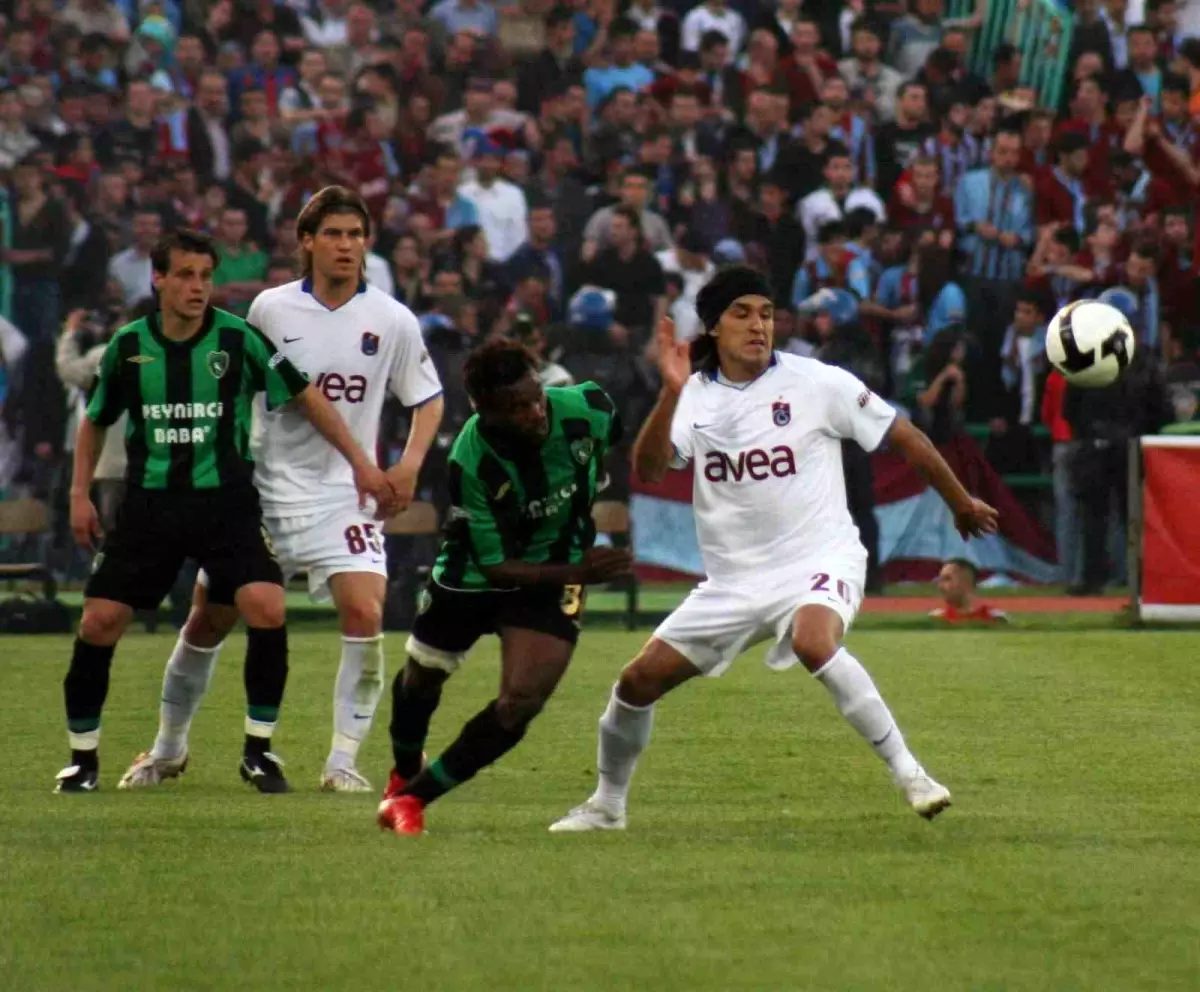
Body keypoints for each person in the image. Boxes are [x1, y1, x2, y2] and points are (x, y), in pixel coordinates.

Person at [549, 266, 999, 832]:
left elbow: (905, 435)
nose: (758, 325)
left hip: (820, 558)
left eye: (765, 313)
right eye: (742, 313)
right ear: (713, 326)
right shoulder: (693, 396)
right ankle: (607, 807)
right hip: (734, 584)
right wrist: (670, 393)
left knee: (814, 641)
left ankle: (912, 774)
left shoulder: (818, 382)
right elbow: (650, 468)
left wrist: (960, 501)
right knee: (635, 684)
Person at [118, 188, 445, 794]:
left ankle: (342, 762)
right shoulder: (270, 309)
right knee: (207, 622)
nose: (346, 246)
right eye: (334, 234)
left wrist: (408, 465)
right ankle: (167, 748)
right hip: (264, 490)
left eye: (356, 235)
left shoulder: (393, 319)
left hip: (346, 493)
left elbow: (427, 398)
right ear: (307, 241)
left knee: (366, 612)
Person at [57, 227, 391, 793]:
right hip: (150, 506)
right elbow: (95, 420)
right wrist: (78, 493)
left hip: (226, 505)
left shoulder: (238, 339)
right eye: (185, 275)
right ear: (158, 279)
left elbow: (307, 397)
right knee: (99, 621)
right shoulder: (129, 346)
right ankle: (82, 761)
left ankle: (259, 752)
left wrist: (360, 461)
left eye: (206, 277)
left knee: (267, 606)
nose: (198, 287)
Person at [376, 338, 632, 836]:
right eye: (516, 408)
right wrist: (581, 571)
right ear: (484, 411)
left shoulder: (589, 408)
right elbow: (496, 568)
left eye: (536, 397)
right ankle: (404, 770)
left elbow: (622, 448)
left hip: (557, 571)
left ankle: (411, 800)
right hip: (474, 577)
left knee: (521, 701)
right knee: (422, 677)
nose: (535, 412)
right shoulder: (471, 459)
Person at [929, 558, 1009, 623]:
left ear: (966, 582)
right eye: (940, 580)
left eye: (947, 579)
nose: (940, 586)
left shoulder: (996, 619)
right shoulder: (937, 619)